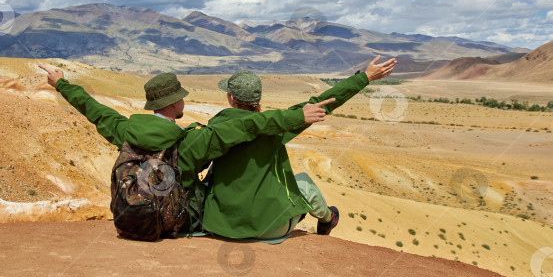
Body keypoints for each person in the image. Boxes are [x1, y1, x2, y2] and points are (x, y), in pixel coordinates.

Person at [37, 65, 335, 231]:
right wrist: (296, 116)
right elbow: (244, 126)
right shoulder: (191, 140)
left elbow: (94, 110)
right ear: (177, 103)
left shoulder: (126, 130)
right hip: (180, 222)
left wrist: (61, 84)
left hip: (130, 218)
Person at [201, 56, 397, 240]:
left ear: (230, 98)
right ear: (258, 100)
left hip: (220, 225)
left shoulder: (215, 127)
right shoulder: (277, 126)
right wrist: (365, 77)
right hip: (268, 229)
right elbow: (324, 102)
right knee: (302, 182)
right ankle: (328, 219)